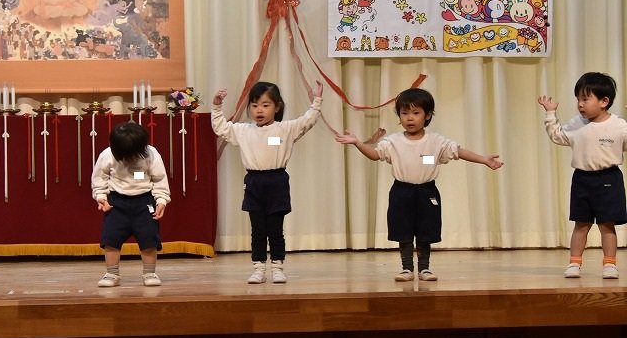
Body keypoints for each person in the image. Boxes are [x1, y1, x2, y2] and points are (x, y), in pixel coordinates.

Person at [336, 87, 503, 282]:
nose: (410, 118)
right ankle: (407, 269)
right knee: (403, 231)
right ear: (399, 116)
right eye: (404, 113)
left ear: (428, 115)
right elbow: (374, 155)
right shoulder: (393, 141)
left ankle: (425, 269)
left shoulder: (436, 141)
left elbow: (458, 152)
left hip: (427, 192)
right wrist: (357, 142)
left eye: (416, 113)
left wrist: (483, 159)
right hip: (401, 192)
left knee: (426, 231)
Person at [211, 81, 323, 284]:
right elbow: (221, 128)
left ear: (277, 107)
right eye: (254, 105)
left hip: (277, 182)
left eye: (265, 105)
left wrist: (317, 100)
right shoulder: (244, 131)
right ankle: (259, 269)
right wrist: (217, 106)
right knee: (258, 230)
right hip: (254, 183)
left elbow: (307, 120)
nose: (259, 110)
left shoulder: (285, 129)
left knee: (275, 230)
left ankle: (277, 268)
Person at [538, 72, 627, 279]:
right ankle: (574, 263)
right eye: (578, 99)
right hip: (582, 179)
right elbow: (558, 136)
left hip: (609, 179)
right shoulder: (577, 123)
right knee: (581, 224)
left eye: (585, 99)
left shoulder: (619, 126)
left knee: (607, 224)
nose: (580, 104)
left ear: (604, 101)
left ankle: (610, 264)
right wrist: (550, 114)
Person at [91, 121, 171, 287]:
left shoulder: (152, 154)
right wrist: (101, 196)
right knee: (111, 240)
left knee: (149, 239)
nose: (130, 159)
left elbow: (159, 178)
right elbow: (99, 178)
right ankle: (112, 274)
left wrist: (161, 200)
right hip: (116, 203)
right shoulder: (107, 155)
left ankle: (150, 273)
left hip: (144, 202)